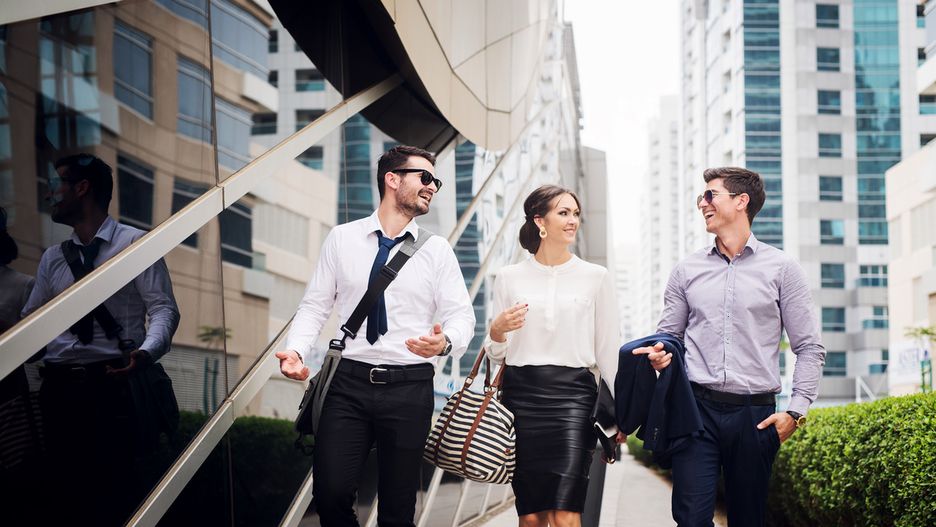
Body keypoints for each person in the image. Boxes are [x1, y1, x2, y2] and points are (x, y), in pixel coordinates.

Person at [277, 145, 476, 527]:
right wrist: (296, 351)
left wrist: (446, 342)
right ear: (392, 178)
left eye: (437, 180)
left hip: (409, 385)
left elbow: (461, 316)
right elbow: (316, 306)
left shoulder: (436, 251)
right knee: (330, 495)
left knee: (399, 507)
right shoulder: (342, 238)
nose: (433, 186)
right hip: (346, 383)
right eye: (425, 177)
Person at [635, 167, 826, 526]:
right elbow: (669, 338)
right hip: (695, 411)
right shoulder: (686, 270)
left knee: (747, 519)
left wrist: (795, 412)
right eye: (700, 197)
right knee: (691, 518)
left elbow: (809, 348)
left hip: (755, 416)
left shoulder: (783, 269)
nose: (702, 204)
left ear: (741, 202)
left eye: (710, 195)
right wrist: (661, 356)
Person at [20, 153, 181, 525]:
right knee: (65, 498)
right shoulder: (52, 259)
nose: (50, 195)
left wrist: (145, 353)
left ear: (82, 188)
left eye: (57, 185)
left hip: (112, 386)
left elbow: (163, 310)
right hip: (58, 390)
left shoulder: (136, 244)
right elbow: (32, 324)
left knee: (115, 497)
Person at [484, 184, 624, 527]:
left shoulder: (596, 277)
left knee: (564, 514)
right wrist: (497, 330)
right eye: (564, 213)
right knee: (531, 517)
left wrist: (620, 413)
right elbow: (496, 354)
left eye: (576, 213)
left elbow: (608, 349)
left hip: (574, 399)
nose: (573, 220)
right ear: (539, 221)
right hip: (521, 399)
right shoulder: (508, 277)